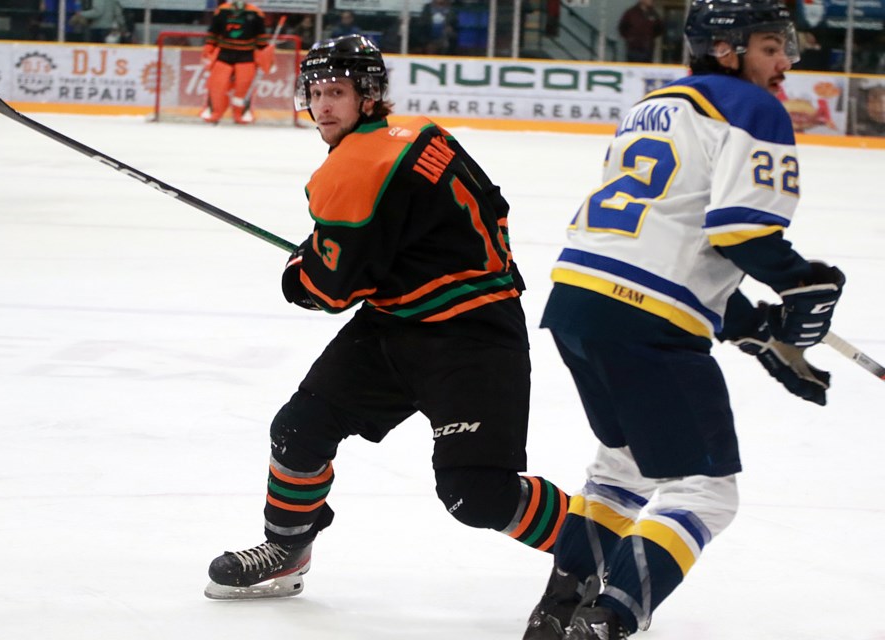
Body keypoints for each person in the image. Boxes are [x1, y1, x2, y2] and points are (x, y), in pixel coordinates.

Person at [204, 35, 570, 601]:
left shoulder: (352, 167)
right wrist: (332, 249)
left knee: (475, 492)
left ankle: (601, 546)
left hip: (470, 336)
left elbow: (328, 291)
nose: (324, 106)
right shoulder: (418, 133)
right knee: (300, 429)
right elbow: (427, 221)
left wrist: (299, 272)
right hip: (397, 322)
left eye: (338, 93)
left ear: (368, 96)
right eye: (317, 93)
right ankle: (286, 550)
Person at [522, 1, 846, 639]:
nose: (785, 62)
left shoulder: (658, 104)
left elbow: (670, 237)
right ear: (727, 49)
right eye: (770, 47)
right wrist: (804, 285)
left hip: (577, 302)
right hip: (645, 318)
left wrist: (756, 330)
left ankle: (558, 612)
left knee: (622, 468)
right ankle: (607, 621)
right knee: (704, 492)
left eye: (785, 47)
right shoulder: (753, 107)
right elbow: (741, 231)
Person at [199, 1, 272, 125]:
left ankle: (241, 113)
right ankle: (214, 111)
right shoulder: (222, 10)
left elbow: (261, 39)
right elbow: (213, 33)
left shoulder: (255, 13)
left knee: (244, 86)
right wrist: (209, 49)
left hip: (246, 55)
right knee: (217, 85)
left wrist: (265, 55)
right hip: (224, 54)